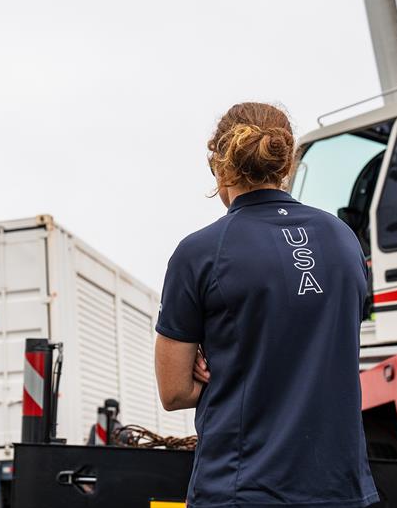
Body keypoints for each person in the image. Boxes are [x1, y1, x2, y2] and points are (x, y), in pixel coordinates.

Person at [154, 103, 378, 508]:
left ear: (220, 168)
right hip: (342, 490)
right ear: (286, 163)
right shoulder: (345, 240)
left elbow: (174, 392)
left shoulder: (200, 252)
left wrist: (215, 358)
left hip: (242, 490)